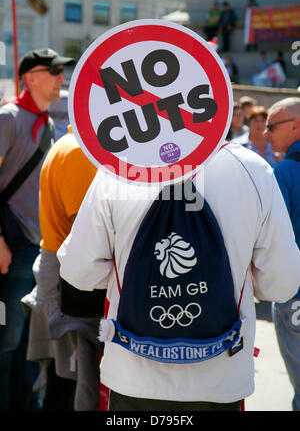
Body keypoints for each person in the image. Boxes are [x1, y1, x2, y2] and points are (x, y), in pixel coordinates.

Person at [57, 142, 300, 411]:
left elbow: (78, 272)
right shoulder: (251, 169)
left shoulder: (119, 168)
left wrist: (131, 276)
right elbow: (282, 284)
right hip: (221, 377)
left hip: (133, 376)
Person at [0, 48, 75, 410]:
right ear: (30, 77)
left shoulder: (44, 123)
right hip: (11, 249)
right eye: (55, 70)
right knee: (6, 343)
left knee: (29, 346)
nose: (62, 77)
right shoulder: (8, 118)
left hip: (39, 249)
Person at [21, 125, 100, 411]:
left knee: (64, 381)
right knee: (72, 383)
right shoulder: (81, 150)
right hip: (70, 277)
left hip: (61, 273)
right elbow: (86, 231)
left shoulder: (71, 143)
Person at [264, 97, 300, 411]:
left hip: (294, 296)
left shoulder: (283, 172)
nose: (265, 133)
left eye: (271, 126)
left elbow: (272, 239)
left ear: (295, 125)